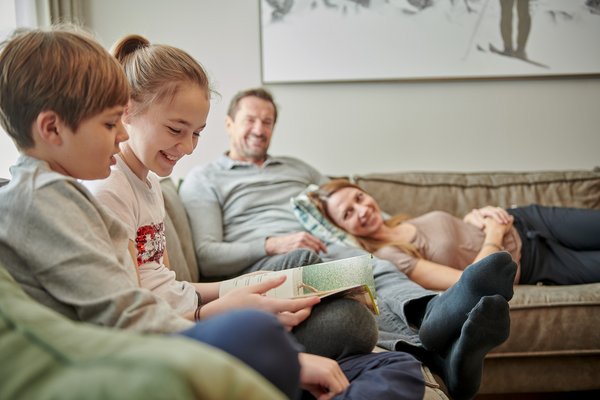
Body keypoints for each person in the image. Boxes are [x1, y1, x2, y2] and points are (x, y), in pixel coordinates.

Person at [0, 26, 347, 400]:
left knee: (275, 327)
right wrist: (214, 315)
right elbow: (123, 316)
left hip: (153, 333)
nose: (120, 135)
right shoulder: (48, 200)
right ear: (52, 128)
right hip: (122, 354)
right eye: (109, 123)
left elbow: (144, 291)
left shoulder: (60, 193)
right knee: (257, 335)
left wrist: (230, 294)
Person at [86, 33, 431, 400]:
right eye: (176, 130)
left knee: (391, 354)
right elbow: (129, 316)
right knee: (354, 324)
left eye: (196, 134)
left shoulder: (150, 184)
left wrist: (244, 285)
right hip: (189, 335)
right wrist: (217, 310)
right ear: (127, 109)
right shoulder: (111, 190)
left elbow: (168, 284)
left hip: (204, 315)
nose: (187, 147)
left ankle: (409, 334)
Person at [179, 87, 517, 400]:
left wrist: (419, 228)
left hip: (324, 251)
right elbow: (208, 256)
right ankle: (439, 348)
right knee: (335, 272)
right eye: (250, 120)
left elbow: (344, 201)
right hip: (269, 266)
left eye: (267, 121)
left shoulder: (297, 168)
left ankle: (428, 311)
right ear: (228, 123)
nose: (259, 129)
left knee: (370, 264)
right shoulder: (205, 178)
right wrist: (271, 244)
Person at [308, 179, 600, 291]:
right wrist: (494, 237)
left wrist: (475, 217)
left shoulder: (402, 222)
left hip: (528, 218)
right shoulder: (392, 257)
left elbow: (456, 238)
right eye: (347, 213)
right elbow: (470, 280)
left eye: (358, 198)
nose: (361, 210)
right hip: (535, 264)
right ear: (342, 228)